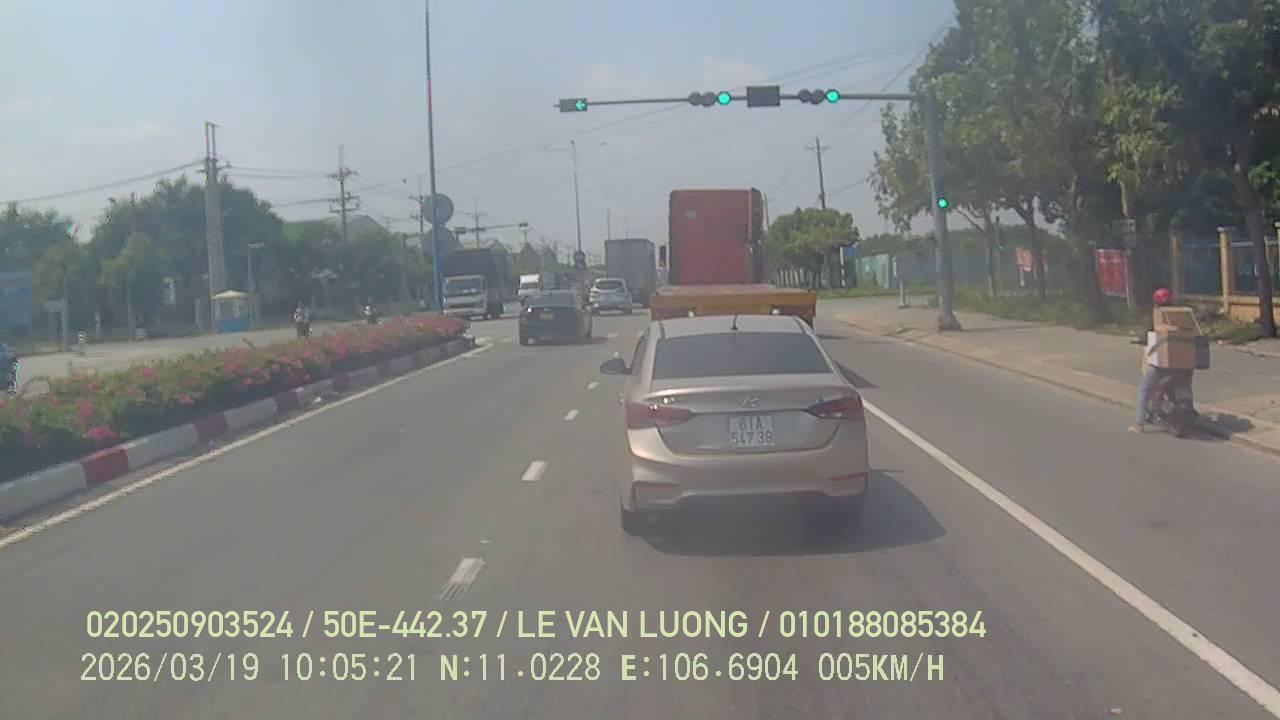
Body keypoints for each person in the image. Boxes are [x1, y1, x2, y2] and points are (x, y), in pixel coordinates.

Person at [1130, 287, 1185, 433]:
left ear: (1155, 302)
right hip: (1183, 363)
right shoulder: (1180, 315)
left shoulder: (1157, 317)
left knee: (1144, 389)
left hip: (1162, 363)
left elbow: (1150, 334)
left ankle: (1139, 424)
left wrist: (1141, 339)